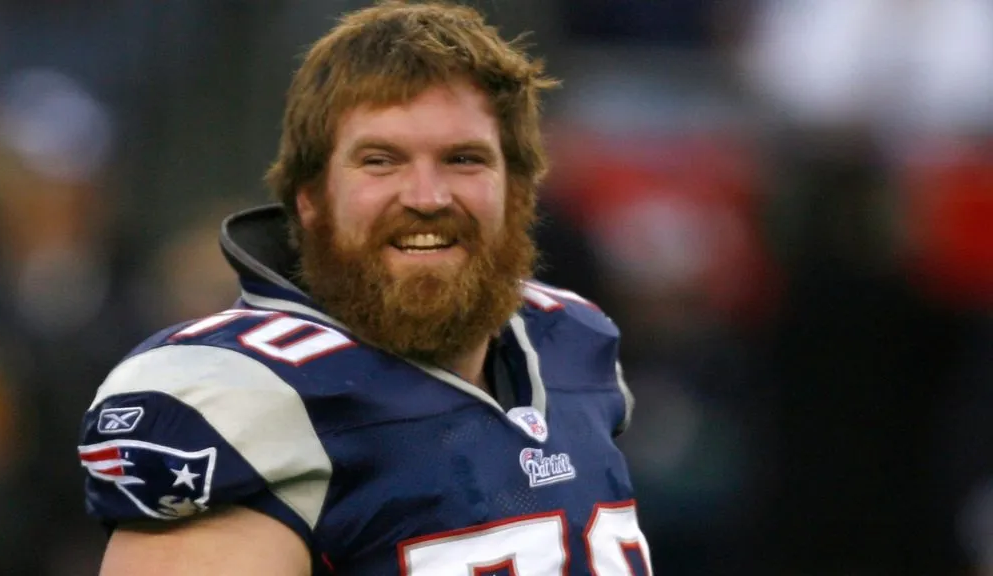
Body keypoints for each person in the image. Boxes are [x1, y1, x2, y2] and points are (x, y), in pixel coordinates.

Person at [78, 2, 652, 574]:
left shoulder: (572, 343)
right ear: (311, 201)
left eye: (463, 159)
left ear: (519, 192)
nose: (427, 197)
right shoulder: (245, 398)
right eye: (381, 161)